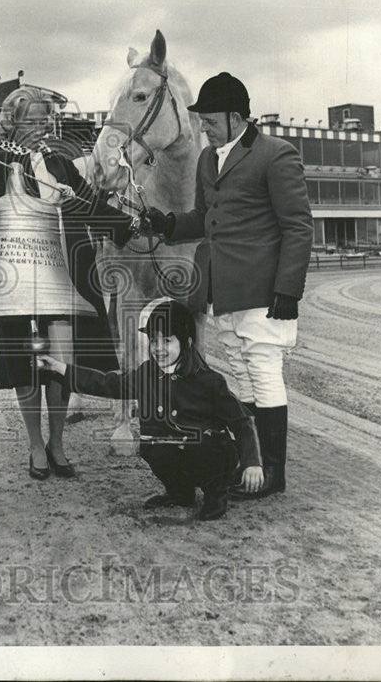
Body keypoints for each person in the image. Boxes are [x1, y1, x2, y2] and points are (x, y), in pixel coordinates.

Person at [145, 73, 313, 500]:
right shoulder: (207, 160)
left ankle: (273, 473)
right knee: (241, 373)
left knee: (263, 371)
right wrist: (167, 223)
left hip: (263, 291)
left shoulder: (277, 154)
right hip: (222, 289)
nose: (204, 127)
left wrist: (288, 291)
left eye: (211, 120)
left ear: (237, 117)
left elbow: (297, 227)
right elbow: (204, 219)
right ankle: (250, 466)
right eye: (200, 120)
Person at [0, 86, 136, 479]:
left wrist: (129, 224)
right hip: (21, 284)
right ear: (12, 123)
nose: (44, 126)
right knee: (27, 366)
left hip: (66, 281)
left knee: (61, 364)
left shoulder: (59, 163)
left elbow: (89, 204)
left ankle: (58, 443)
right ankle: (35, 446)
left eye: (48, 119)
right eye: (35, 120)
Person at [38, 299, 263, 521]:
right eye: (153, 341)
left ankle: (216, 496)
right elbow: (107, 383)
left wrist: (252, 462)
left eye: (167, 341)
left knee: (203, 446)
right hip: (177, 450)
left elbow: (242, 421)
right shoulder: (146, 374)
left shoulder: (209, 381)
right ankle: (180, 493)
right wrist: (60, 368)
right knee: (153, 446)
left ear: (186, 342)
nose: (158, 349)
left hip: (209, 453)